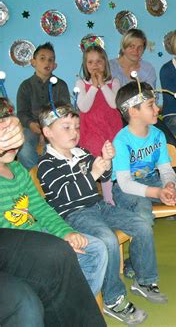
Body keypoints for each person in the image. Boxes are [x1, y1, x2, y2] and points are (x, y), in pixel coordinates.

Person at [37, 103, 163, 324]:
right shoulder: (47, 165)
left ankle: (144, 280)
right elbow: (67, 194)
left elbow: (104, 180)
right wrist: (94, 171)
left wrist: (107, 163)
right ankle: (113, 300)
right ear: (47, 132)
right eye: (66, 127)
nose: (74, 132)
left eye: (76, 127)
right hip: (73, 214)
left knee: (142, 224)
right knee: (107, 239)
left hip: (97, 207)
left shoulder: (82, 153)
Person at [0, 114, 105, 327]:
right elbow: (8, 237)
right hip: (31, 246)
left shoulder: (18, 170)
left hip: (44, 239)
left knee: (96, 249)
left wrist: (65, 232)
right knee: (64, 256)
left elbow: (41, 208)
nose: (12, 138)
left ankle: (71, 305)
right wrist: (55, 243)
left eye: (12, 129)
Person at [111, 81, 176, 270]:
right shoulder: (121, 140)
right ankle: (135, 260)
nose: (157, 108)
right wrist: (157, 192)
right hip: (127, 189)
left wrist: (169, 184)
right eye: (150, 105)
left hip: (154, 182)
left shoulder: (158, 135)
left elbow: (166, 169)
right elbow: (125, 183)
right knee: (142, 212)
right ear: (133, 112)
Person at [110, 28, 176, 147]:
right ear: (124, 47)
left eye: (140, 47)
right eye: (131, 46)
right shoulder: (110, 67)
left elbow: (151, 97)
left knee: (170, 143)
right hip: (120, 116)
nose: (136, 51)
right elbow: (116, 102)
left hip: (146, 114)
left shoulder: (148, 68)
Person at [76, 45, 122, 205]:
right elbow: (83, 106)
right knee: (98, 162)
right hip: (91, 130)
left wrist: (102, 85)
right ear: (85, 65)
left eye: (99, 61)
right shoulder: (81, 83)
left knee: (112, 161)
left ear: (105, 63)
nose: (95, 65)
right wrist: (94, 87)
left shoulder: (114, 82)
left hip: (111, 128)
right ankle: (96, 200)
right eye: (90, 62)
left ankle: (111, 199)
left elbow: (114, 104)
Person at [16, 42, 71, 170]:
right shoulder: (25, 86)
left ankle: (54, 175)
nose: (47, 62)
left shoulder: (60, 85)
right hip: (32, 127)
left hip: (55, 127)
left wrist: (49, 128)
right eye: (42, 58)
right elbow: (22, 113)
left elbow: (65, 111)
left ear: (55, 65)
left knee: (58, 148)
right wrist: (31, 124)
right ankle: (39, 176)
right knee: (23, 148)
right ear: (33, 62)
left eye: (51, 60)